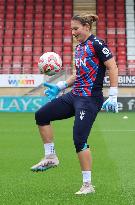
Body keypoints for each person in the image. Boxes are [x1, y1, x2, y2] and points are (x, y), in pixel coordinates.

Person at [31, 13, 118, 195]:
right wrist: (61, 85)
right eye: (71, 29)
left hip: (89, 99)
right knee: (42, 115)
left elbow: (112, 67)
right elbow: (79, 74)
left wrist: (114, 94)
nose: (73, 32)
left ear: (86, 26)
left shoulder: (98, 44)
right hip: (75, 95)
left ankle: (88, 185)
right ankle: (51, 156)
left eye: (75, 28)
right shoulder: (79, 48)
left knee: (79, 140)